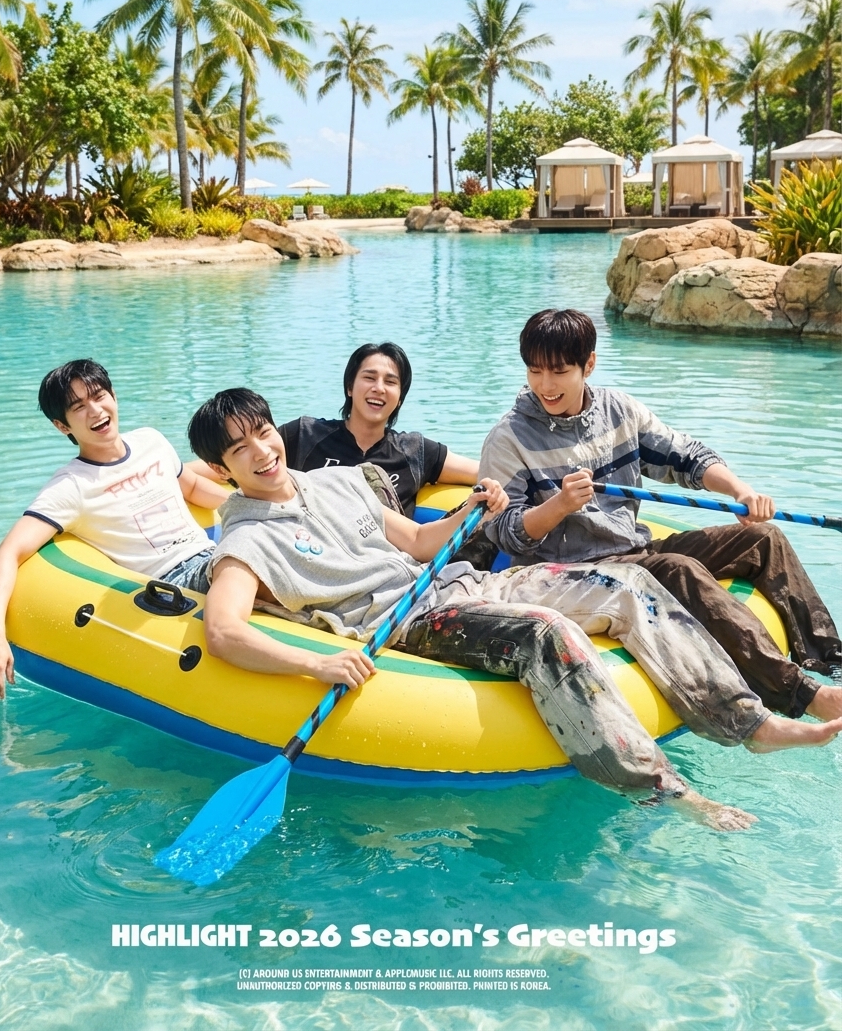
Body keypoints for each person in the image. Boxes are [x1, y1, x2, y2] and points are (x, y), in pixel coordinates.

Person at [186, 387, 842, 832]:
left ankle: (749, 722)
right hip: (408, 623)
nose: (263, 452)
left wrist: (469, 510)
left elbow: (418, 542)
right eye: (241, 450)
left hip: (460, 582)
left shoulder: (334, 481)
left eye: (264, 433)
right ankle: (664, 790)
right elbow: (223, 632)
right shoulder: (246, 540)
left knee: (626, 583)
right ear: (221, 468)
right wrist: (320, 663)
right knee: (546, 633)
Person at [479, 308, 842, 724]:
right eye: (535, 370)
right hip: (569, 573)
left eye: (559, 371)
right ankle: (801, 694)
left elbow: (686, 456)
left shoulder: (619, 410)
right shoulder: (507, 438)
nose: (545, 385)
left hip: (633, 550)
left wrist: (741, 491)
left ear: (588, 364)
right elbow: (503, 532)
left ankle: (830, 661)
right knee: (679, 570)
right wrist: (558, 505)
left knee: (763, 538)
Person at [0, 359, 231, 700]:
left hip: (213, 554)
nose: (95, 411)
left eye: (99, 396)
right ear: (61, 426)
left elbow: (193, 487)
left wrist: (261, 508)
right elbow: (7, 554)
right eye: (78, 407)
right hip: (176, 581)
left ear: (114, 396)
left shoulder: (151, 441)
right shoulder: (71, 487)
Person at [277, 342, 478, 516]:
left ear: (400, 399)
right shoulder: (304, 435)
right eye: (369, 378)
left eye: (390, 382)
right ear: (349, 387)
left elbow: (482, 471)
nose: (379, 388)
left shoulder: (414, 452)